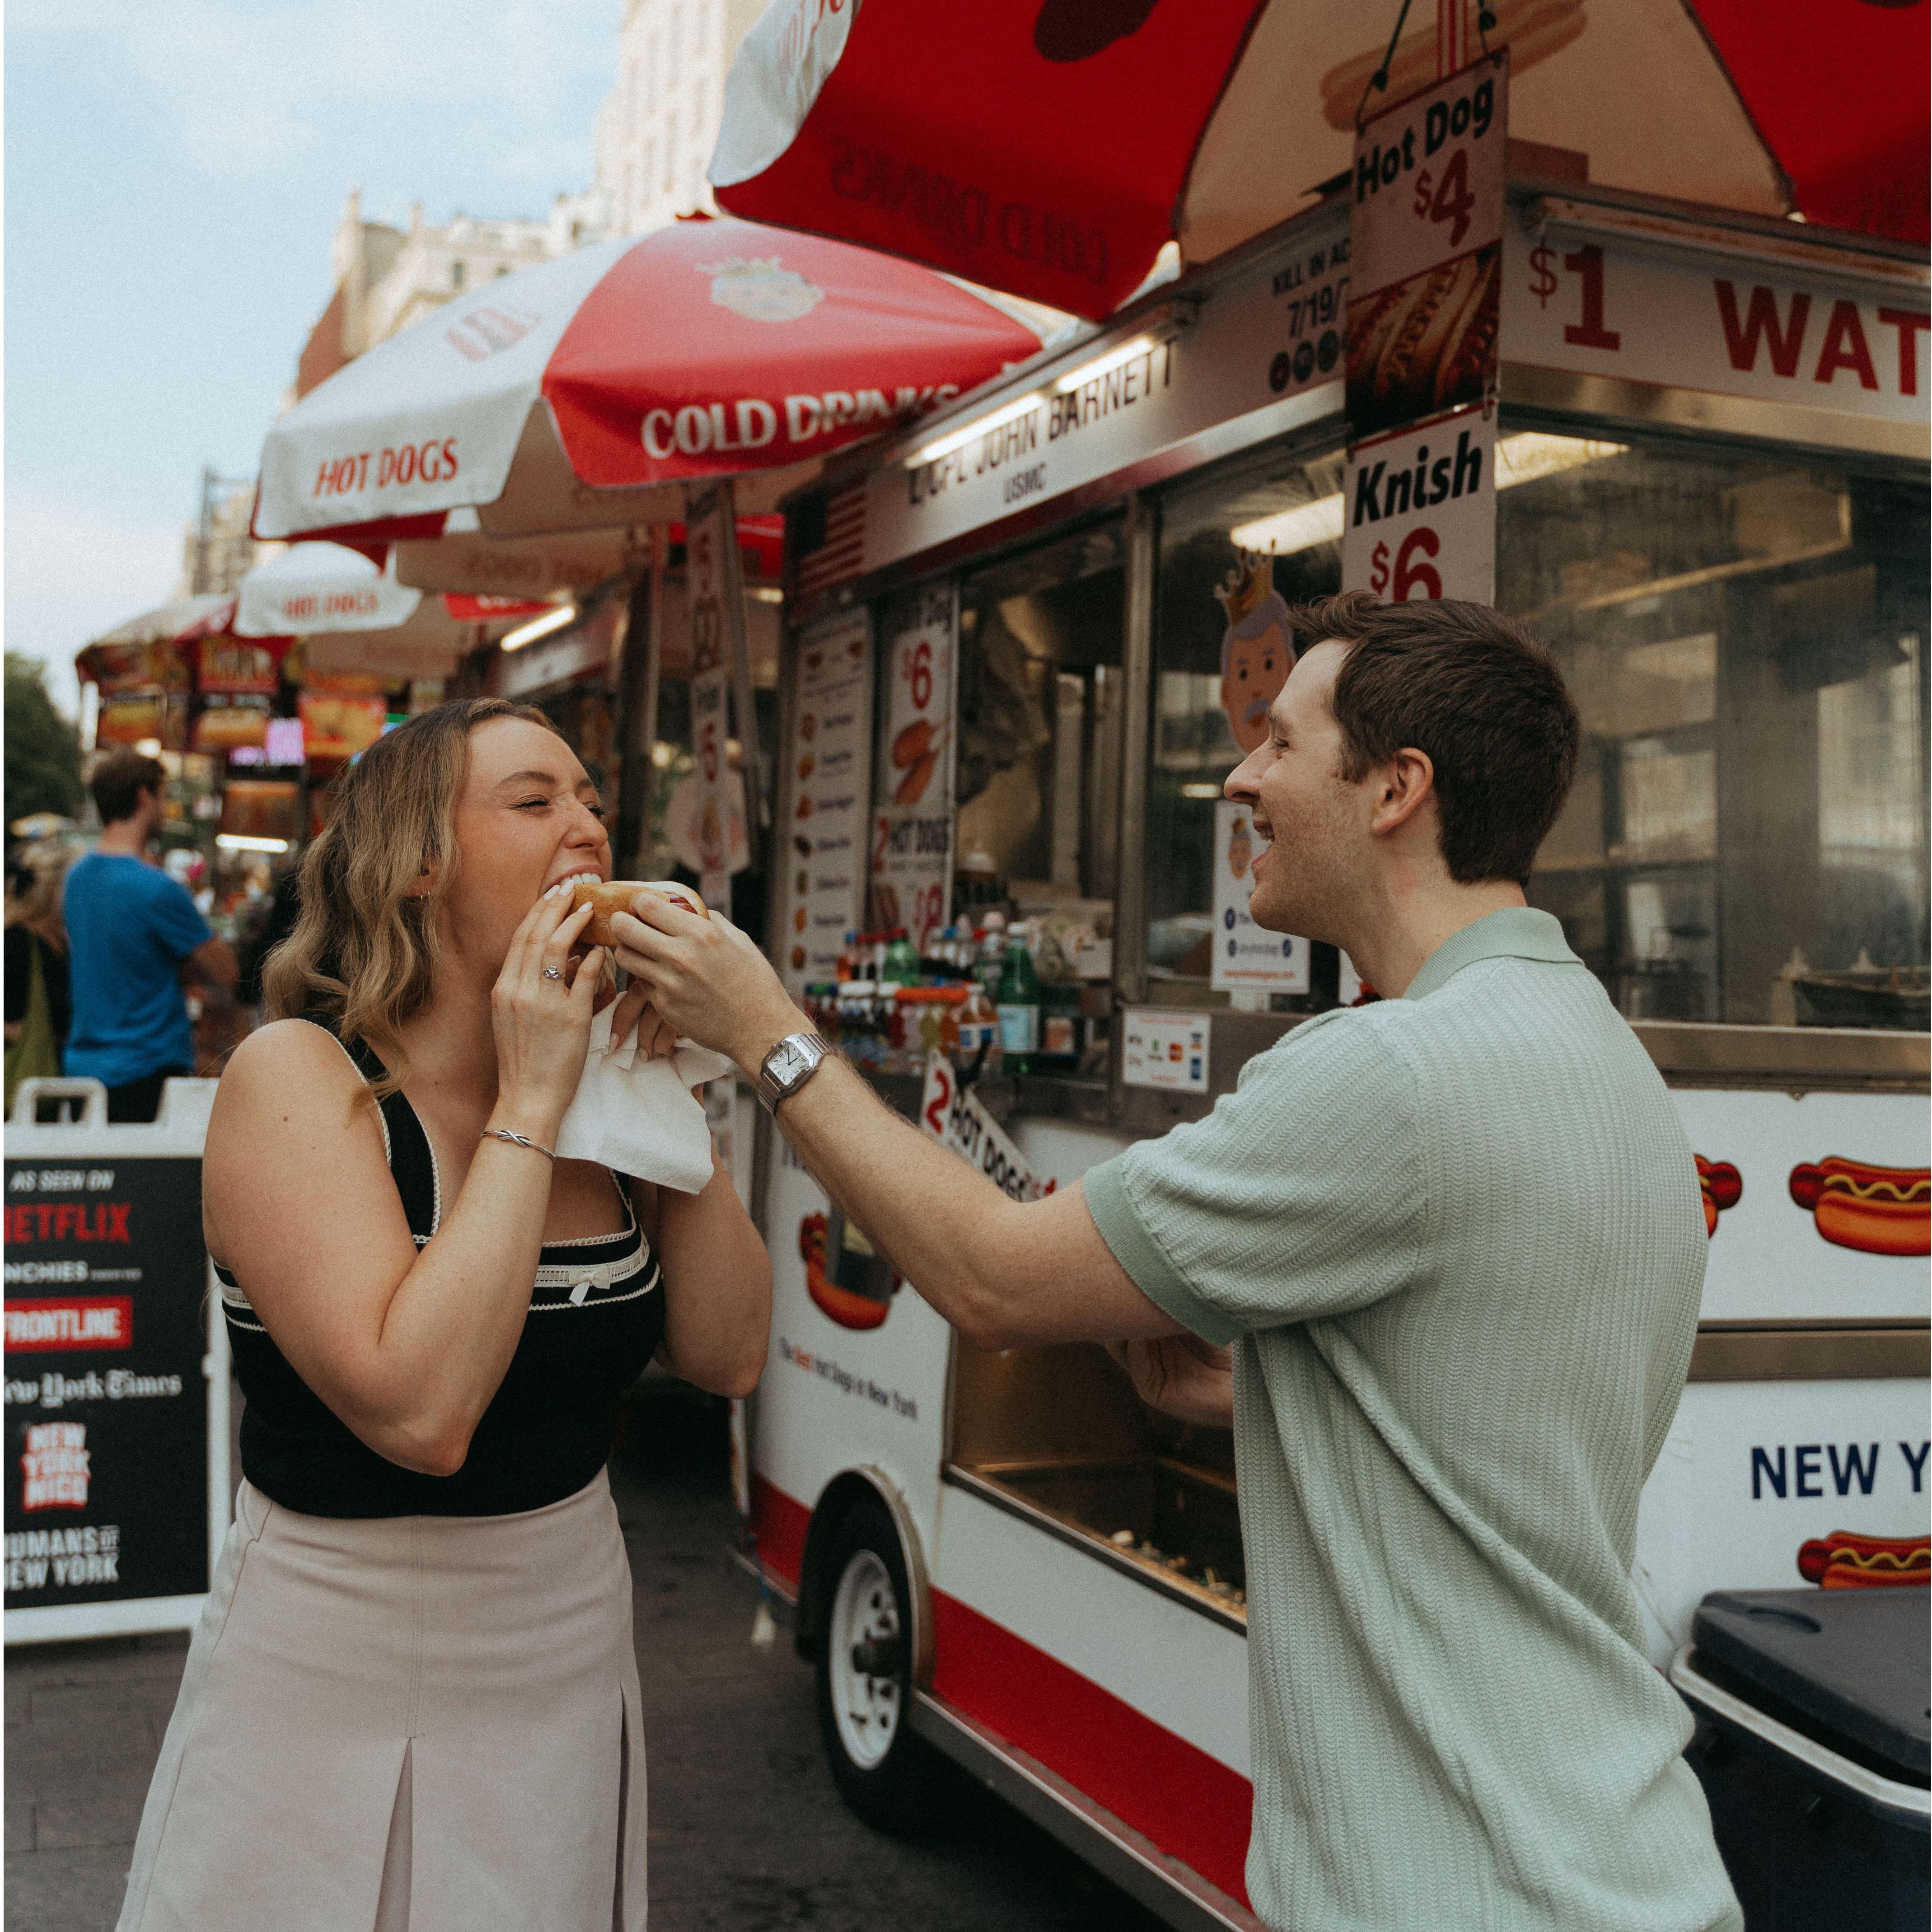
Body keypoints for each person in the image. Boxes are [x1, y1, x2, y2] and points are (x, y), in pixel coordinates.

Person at [612, 594, 1743, 1932]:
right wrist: (1277, 1386)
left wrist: (766, 1030)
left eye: (1281, 743)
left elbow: (988, 1278)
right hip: (1616, 1865)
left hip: (1461, 1890)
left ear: (1397, 789)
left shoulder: (1394, 1070)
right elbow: (1503, 1417)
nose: (1241, 779)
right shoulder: (1596, 1049)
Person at [117, 699, 772, 1932]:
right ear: (416, 862)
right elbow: (420, 1414)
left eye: (592, 801)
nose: (588, 828)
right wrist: (532, 1098)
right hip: (335, 1647)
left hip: (567, 1627)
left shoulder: (610, 1081)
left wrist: (673, 1080)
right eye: (534, 801)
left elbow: (728, 1350)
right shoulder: (299, 1075)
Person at [62, 750, 238, 1122]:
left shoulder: (76, 878)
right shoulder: (158, 889)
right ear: (144, 796)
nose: (165, 808)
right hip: (147, 1068)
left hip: (82, 1067)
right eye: (163, 796)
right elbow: (227, 971)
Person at [5, 847, 74, 1112]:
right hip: (20, 1086)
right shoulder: (16, 940)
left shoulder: (62, 943)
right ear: (55, 890)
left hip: (52, 1084)